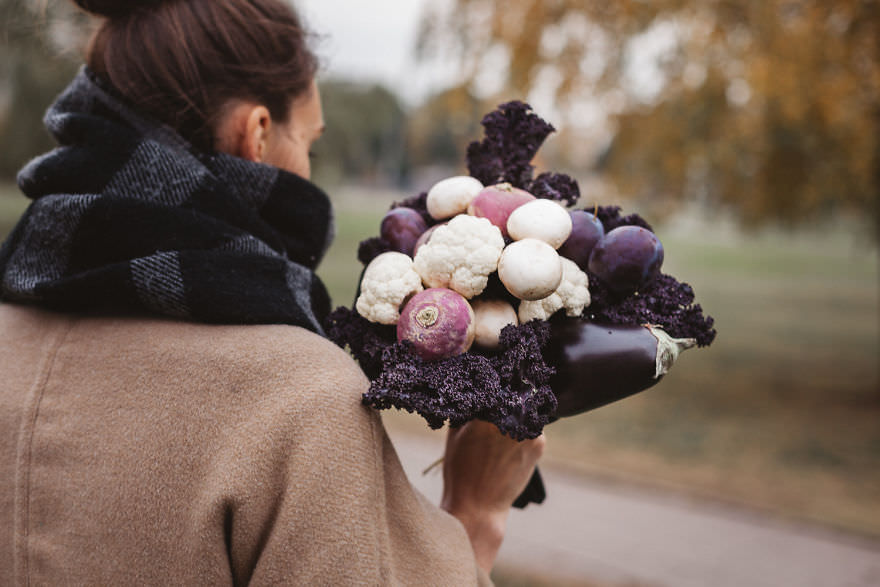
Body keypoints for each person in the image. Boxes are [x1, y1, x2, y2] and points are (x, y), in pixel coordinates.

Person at [0, 0, 544, 584]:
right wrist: (476, 514)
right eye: (309, 140)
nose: (307, 165)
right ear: (256, 134)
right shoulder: (301, 399)